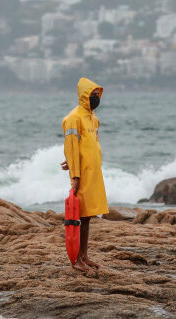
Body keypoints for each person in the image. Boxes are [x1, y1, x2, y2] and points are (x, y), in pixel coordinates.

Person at [60, 77, 108, 272]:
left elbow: (88, 146)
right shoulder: (74, 118)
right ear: (84, 96)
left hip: (94, 173)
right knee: (78, 216)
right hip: (82, 175)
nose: (96, 97)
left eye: (97, 94)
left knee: (88, 216)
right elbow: (71, 147)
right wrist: (75, 174)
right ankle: (76, 259)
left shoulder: (93, 118)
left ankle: (84, 255)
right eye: (93, 94)